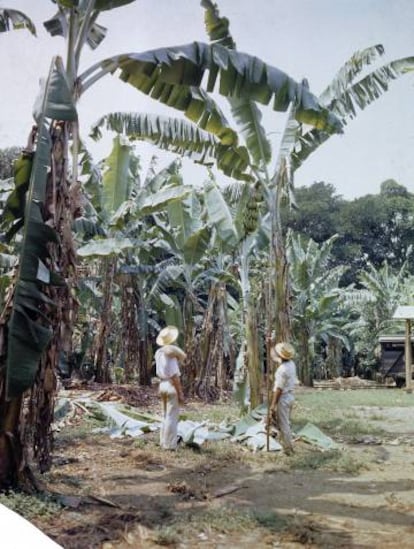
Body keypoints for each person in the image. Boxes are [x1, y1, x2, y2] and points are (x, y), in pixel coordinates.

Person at [155, 326, 186, 450]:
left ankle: (163, 442)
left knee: (164, 415)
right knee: (171, 416)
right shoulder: (170, 356)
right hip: (170, 385)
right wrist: (180, 392)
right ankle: (170, 445)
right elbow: (175, 377)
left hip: (161, 384)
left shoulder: (158, 353)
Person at [268, 342, 297, 455]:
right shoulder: (291, 364)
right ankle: (286, 445)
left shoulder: (282, 370)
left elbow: (278, 389)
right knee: (286, 423)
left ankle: (288, 449)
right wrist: (270, 343)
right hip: (290, 396)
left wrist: (273, 405)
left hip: (283, 398)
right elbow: (274, 357)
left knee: (284, 425)